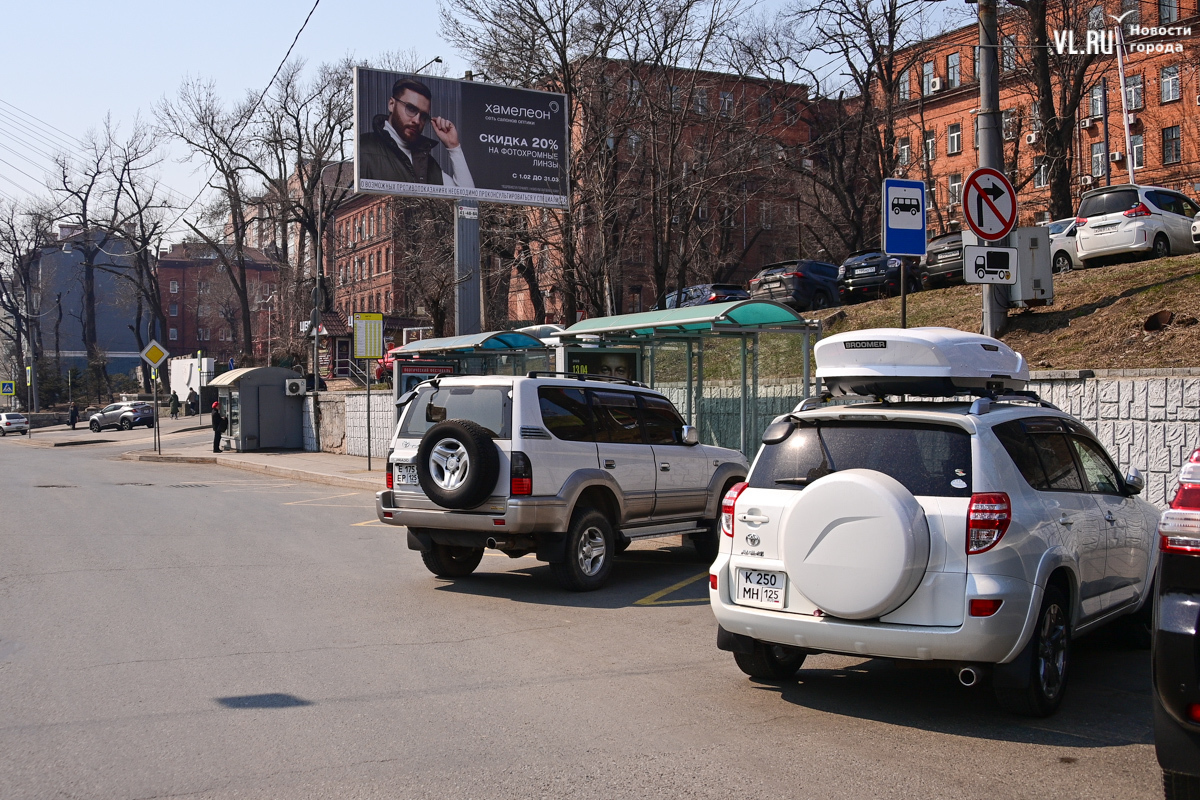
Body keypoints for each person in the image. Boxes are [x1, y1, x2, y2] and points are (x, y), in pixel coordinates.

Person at [358, 78, 475, 188]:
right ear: (392, 104)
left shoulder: (428, 163)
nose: (417, 121)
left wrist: (453, 147)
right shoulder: (363, 148)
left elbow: (468, 197)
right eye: (411, 109)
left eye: (423, 116)